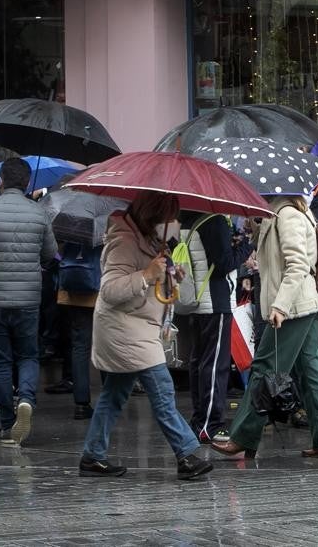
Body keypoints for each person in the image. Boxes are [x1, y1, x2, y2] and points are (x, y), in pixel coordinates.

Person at [78, 193, 214, 480]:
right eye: (172, 217)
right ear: (154, 216)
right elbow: (110, 290)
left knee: (114, 395)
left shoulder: (150, 239)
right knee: (162, 392)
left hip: (136, 328)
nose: (175, 223)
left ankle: (92, 455)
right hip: (125, 331)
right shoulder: (124, 241)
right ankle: (187, 454)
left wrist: (169, 275)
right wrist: (147, 275)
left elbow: (150, 279)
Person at [212, 194, 318, 459]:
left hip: (294, 307)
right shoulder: (282, 214)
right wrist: (256, 226)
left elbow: (297, 265)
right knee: (311, 370)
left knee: (264, 366)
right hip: (302, 305)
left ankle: (243, 436)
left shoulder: (288, 215)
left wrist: (280, 306)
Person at [0, 157, 58, 446]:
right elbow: (49, 254)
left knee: (0, 361)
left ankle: (6, 425)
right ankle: (26, 398)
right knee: (28, 354)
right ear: (28, 183)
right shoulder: (38, 213)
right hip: (28, 297)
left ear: (0, 181)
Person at [178, 211, 253, 444]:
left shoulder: (189, 218)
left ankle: (200, 419)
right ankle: (212, 424)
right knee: (215, 365)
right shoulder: (215, 220)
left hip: (199, 302)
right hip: (216, 301)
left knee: (199, 361)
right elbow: (223, 264)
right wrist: (246, 248)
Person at [55, 238, 102, 420]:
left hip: (73, 288)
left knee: (79, 346)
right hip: (98, 288)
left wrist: (63, 261)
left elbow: (53, 252)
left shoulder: (68, 225)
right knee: (103, 342)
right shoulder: (105, 224)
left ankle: (81, 404)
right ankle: (109, 398)